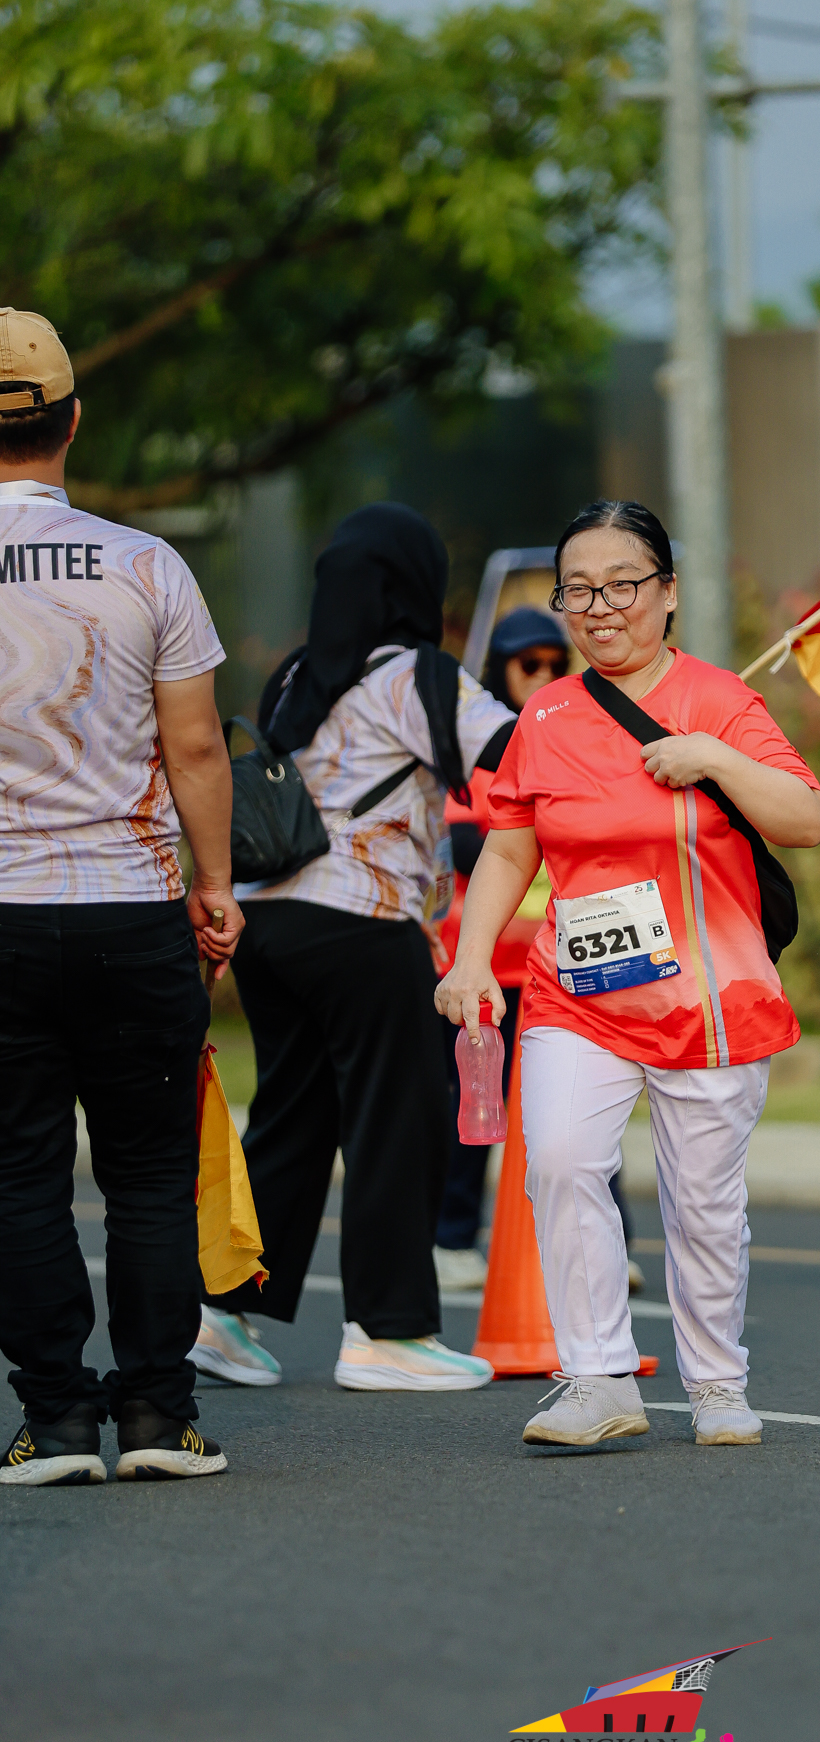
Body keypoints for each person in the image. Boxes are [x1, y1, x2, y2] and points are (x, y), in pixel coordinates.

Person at [436, 499, 820, 1448]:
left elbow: (803, 817)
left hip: (708, 999)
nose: (600, 607)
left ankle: (718, 1384)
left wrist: (714, 757)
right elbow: (508, 848)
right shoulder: (545, 715)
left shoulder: (719, 700)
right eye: (578, 590)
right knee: (562, 1161)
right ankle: (599, 1377)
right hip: (579, 994)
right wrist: (473, 957)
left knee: (704, 1207)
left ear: (668, 592)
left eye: (622, 586)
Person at [190, 503, 516, 1393]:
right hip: (363, 923)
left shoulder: (299, 675)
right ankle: (388, 1331)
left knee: (293, 1120)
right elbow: (518, 750)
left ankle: (219, 1316)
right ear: (415, 586)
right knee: (397, 1118)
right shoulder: (416, 673)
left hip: (270, 925)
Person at [0, 307, 241, 1486]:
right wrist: (216, 886)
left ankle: (53, 1422)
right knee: (148, 1177)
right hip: (131, 908)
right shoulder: (147, 565)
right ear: (74, 420)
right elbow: (194, 747)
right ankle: (155, 1416)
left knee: (18, 1177)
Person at [432, 606, 645, 1295]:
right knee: (476, 1104)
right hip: (489, 971)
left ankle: (613, 1245)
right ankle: (452, 1240)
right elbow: (471, 846)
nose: (544, 674)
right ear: (500, 669)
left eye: (556, 663)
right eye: (530, 664)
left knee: (588, 1110)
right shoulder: (478, 752)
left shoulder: (583, 743)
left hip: (571, 964)